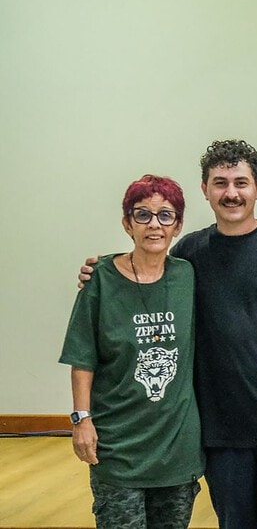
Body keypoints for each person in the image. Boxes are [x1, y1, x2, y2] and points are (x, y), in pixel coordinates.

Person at [83, 141, 257, 528]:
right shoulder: (189, 254)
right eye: (220, 183)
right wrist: (101, 270)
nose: (232, 193)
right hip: (219, 430)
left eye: (241, 182)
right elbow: (142, 273)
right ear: (204, 189)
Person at [61, 175, 203, 528]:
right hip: (118, 448)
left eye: (165, 216)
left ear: (178, 226)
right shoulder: (100, 279)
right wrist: (81, 419)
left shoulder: (188, 275)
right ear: (127, 224)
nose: (154, 225)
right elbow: (83, 358)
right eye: (143, 215)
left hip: (176, 449)